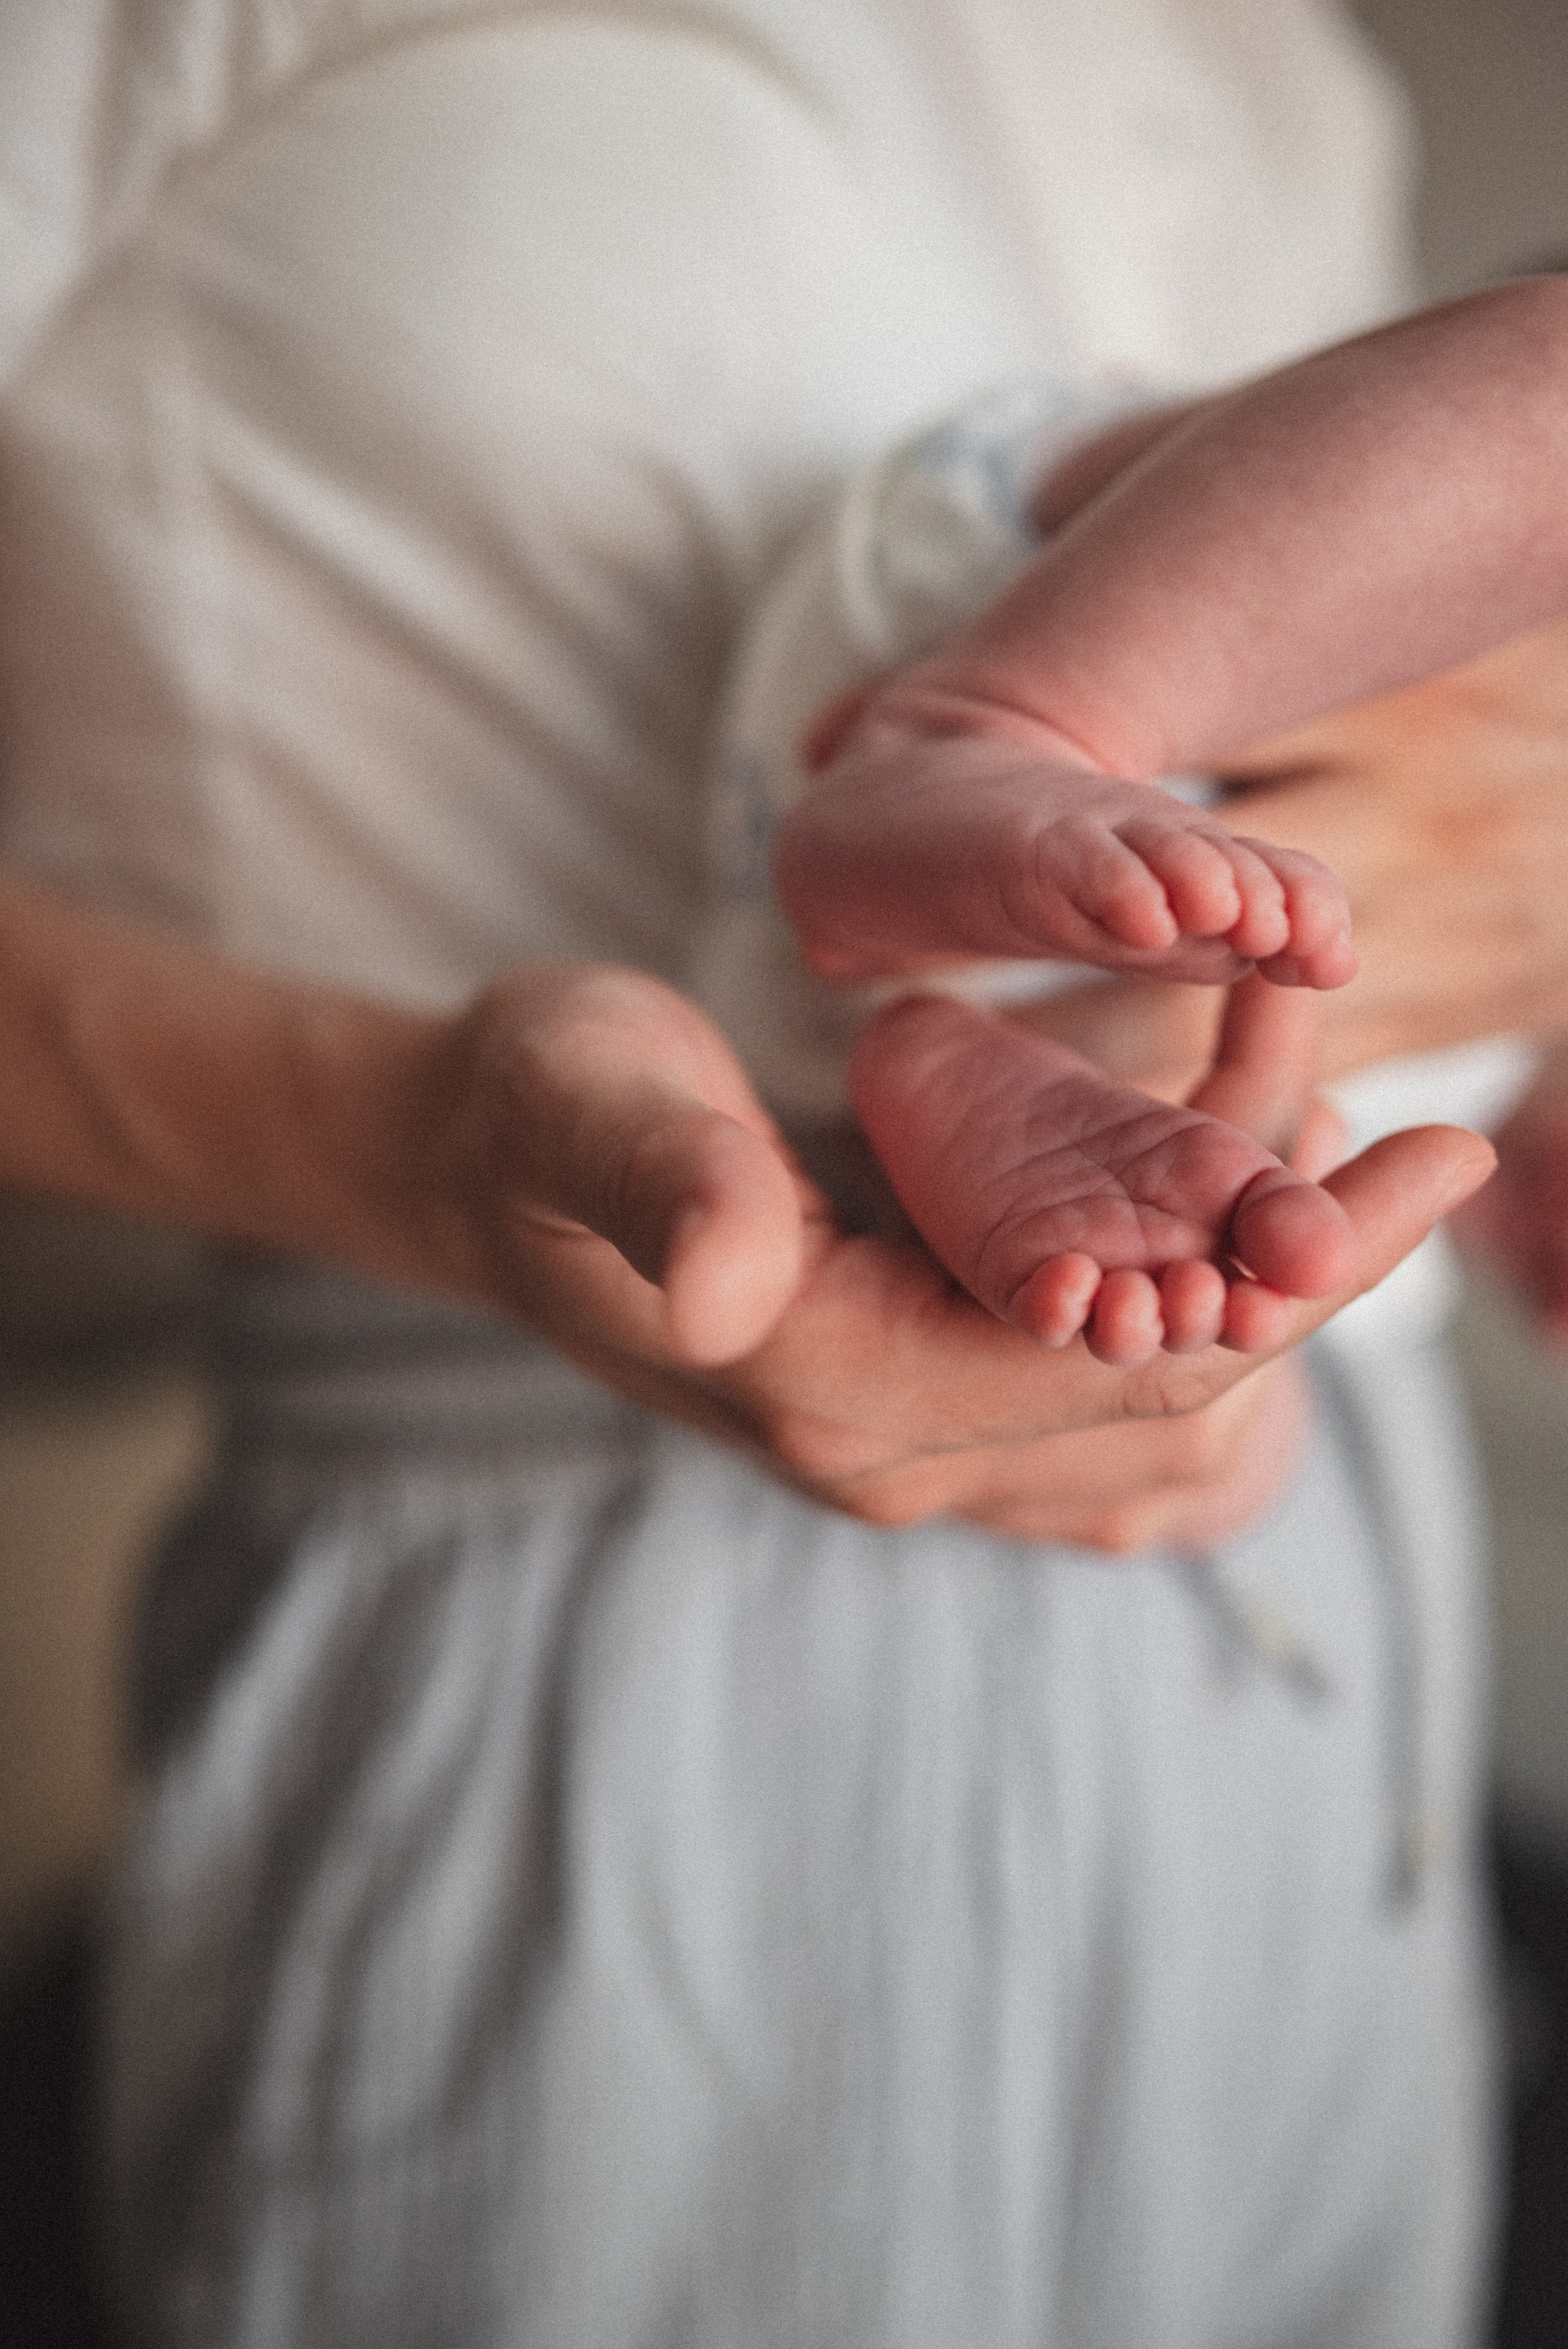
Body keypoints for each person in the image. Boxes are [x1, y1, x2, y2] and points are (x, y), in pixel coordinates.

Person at [0, 2, 1549, 2343]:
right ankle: (981, 776)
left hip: (1321, 1549)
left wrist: (1521, 1036)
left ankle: (990, 1044)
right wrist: (428, 1151)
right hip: (598, 1562)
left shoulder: (1285, 62)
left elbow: (1384, 762)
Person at [702, 280, 1568, 1363]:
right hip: (1043, 599)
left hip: (837, 1032)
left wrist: (1215, 1200)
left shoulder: (1419, 1222)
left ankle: (944, 1082)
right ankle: (990, 723)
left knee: (1201, 1266)